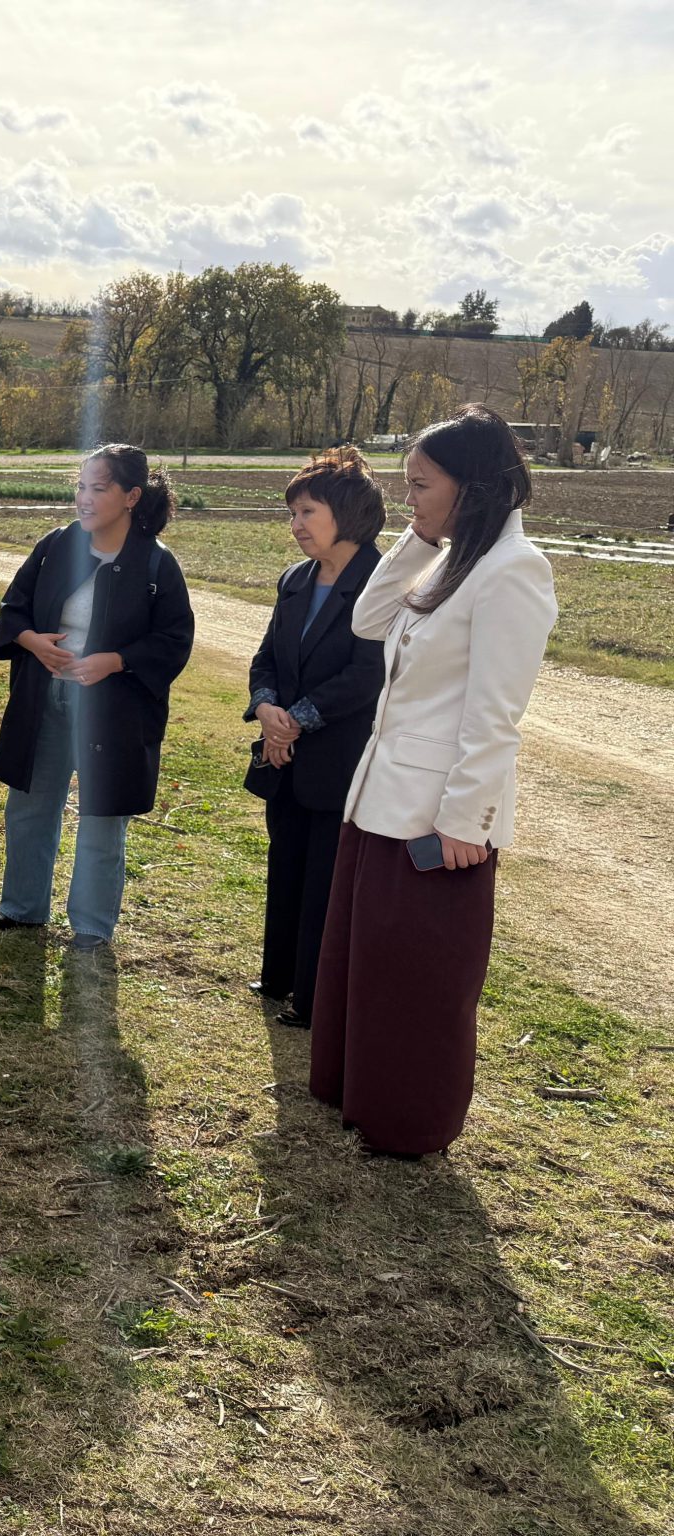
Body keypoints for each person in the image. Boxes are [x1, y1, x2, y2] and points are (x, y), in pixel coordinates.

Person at [310, 404, 557, 1155]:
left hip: (435, 819)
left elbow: (496, 714)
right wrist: (419, 537)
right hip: (382, 798)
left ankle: (408, 1121)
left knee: (420, 979)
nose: (407, 498)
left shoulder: (514, 570)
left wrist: (464, 820)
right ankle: (358, 1094)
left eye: (420, 486)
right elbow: (368, 620)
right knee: (369, 962)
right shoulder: (453, 559)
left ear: (472, 486)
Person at [0, 445, 195, 949]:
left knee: (102, 818)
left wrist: (116, 661)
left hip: (114, 712)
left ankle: (92, 927)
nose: (84, 498)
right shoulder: (56, 545)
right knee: (30, 806)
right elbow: (13, 607)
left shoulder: (157, 565)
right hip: (44, 698)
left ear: (131, 497)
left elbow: (174, 640)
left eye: (99, 488)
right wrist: (31, 641)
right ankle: (22, 909)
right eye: (80, 486)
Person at [245, 447, 387, 1028]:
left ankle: (312, 997)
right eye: (293, 513)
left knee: (325, 880)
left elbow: (367, 674)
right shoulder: (295, 580)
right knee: (286, 863)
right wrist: (266, 709)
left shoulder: (383, 583)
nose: (296, 524)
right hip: (284, 757)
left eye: (307, 512)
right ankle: (278, 976)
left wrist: (296, 719)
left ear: (346, 513)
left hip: (340, 759)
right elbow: (266, 657)